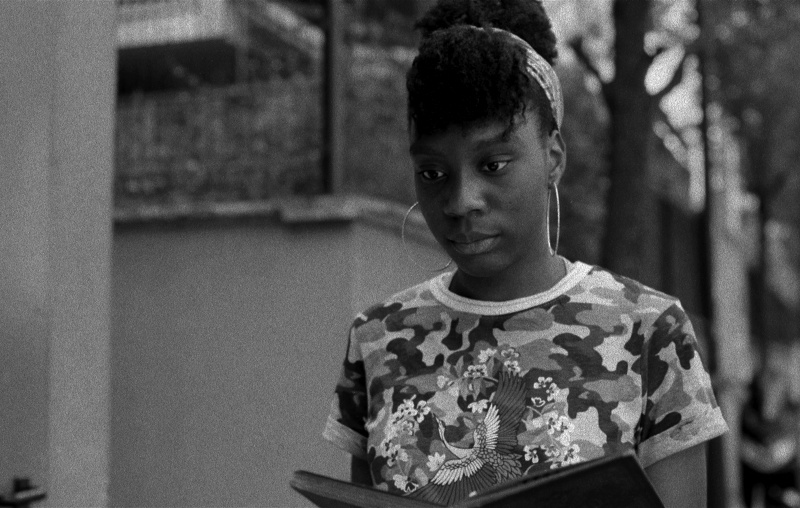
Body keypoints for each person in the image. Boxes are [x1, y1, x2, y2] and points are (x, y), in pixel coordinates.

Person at [322, 1, 728, 506]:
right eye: (432, 173)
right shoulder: (378, 339)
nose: (461, 201)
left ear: (553, 157)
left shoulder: (649, 333)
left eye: (492, 164)